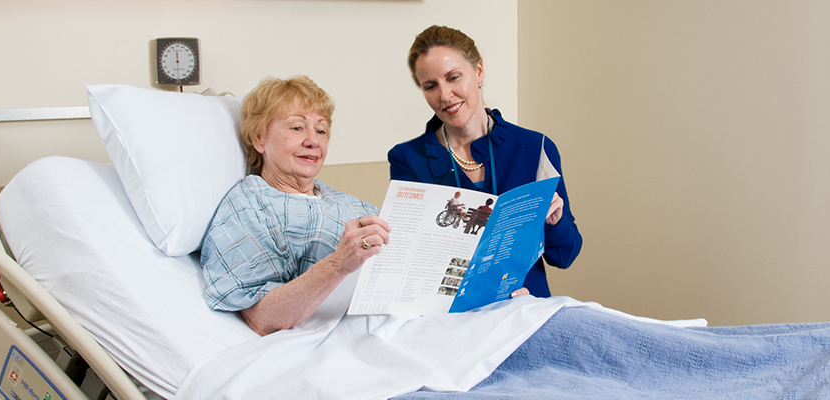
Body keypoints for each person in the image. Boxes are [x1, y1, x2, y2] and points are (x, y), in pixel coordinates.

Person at [388, 25, 583, 298]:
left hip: (526, 307)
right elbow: (411, 261)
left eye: (453, 77)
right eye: (431, 86)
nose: (444, 95)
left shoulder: (535, 147)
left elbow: (565, 255)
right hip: (451, 316)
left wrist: (554, 222)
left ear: (478, 72)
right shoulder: (407, 159)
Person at [200, 76, 390, 336]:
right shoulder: (250, 207)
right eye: (297, 128)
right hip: (340, 335)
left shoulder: (347, 203)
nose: (313, 141)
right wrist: (337, 264)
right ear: (259, 139)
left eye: (321, 131)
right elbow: (261, 318)